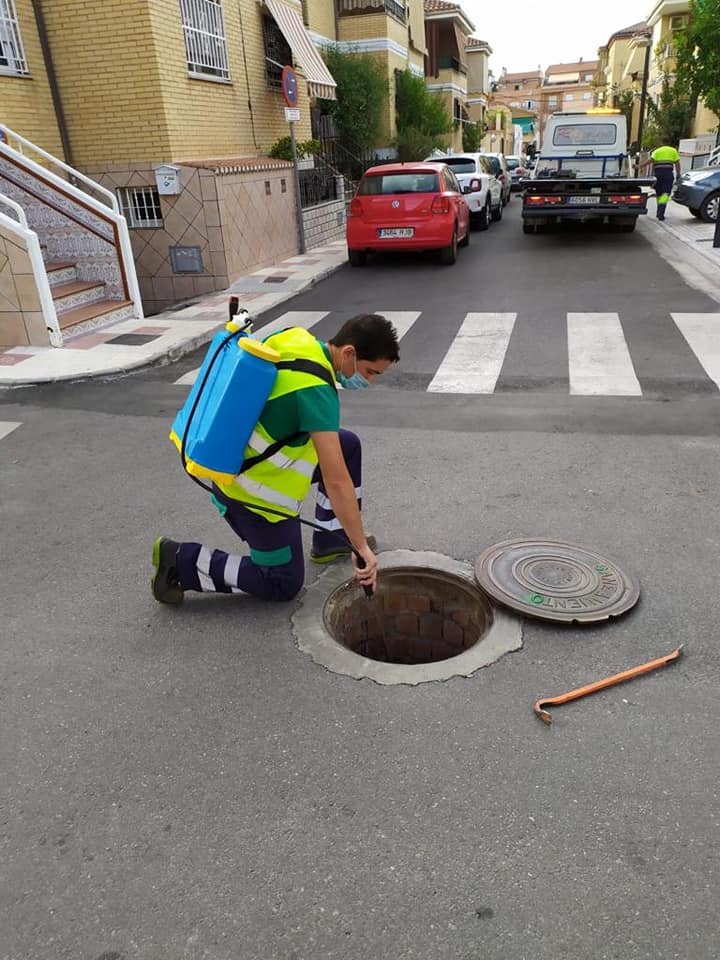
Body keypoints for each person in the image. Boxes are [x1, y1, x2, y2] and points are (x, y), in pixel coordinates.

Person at [151, 313, 400, 606]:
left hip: (242, 455)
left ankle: (331, 539)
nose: (368, 382)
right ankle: (181, 561)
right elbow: (336, 480)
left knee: (347, 445)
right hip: (248, 493)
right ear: (349, 353)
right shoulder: (316, 391)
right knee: (283, 581)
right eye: (371, 372)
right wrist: (361, 547)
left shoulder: (298, 338)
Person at [643, 144, 681, 221]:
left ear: (662, 143)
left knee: (659, 193)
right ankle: (661, 213)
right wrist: (678, 174)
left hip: (658, 175)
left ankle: (659, 211)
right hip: (668, 175)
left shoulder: (657, 151)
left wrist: (639, 166)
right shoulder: (673, 151)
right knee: (665, 194)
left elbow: (649, 161)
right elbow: (677, 164)